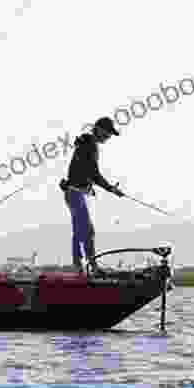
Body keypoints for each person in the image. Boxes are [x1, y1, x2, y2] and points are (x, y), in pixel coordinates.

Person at [60, 117, 125, 276]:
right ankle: (92, 268)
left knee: (79, 231)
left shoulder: (86, 142)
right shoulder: (90, 144)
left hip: (74, 192)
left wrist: (89, 188)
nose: (108, 137)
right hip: (75, 193)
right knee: (87, 231)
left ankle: (79, 268)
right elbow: (93, 173)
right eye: (108, 133)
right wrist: (111, 189)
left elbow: (84, 170)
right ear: (99, 129)